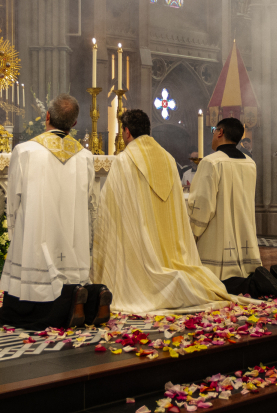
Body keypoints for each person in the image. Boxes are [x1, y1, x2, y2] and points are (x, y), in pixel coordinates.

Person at [92, 110, 260, 314]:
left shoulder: (123, 160)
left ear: (127, 132)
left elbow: (111, 208)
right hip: (185, 245)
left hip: (140, 242)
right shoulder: (168, 158)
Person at [0, 94, 112, 329]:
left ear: (47, 116)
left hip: (37, 233)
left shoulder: (26, 151)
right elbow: (90, 199)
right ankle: (90, 296)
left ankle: (65, 305)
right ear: (74, 124)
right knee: (71, 277)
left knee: (30, 290)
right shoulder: (85, 156)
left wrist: (14, 231)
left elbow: (14, 198)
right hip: (72, 237)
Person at [189, 118, 277, 299]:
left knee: (217, 283)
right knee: (244, 272)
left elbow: (203, 204)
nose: (213, 134)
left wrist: (192, 230)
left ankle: (261, 285)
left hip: (219, 235)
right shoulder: (249, 162)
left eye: (214, 130)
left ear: (220, 132)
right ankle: (272, 279)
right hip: (244, 233)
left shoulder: (211, 162)